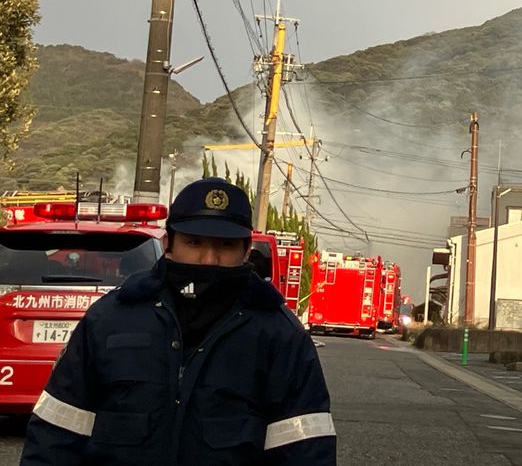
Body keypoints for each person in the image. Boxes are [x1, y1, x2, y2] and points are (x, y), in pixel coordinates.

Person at [21, 178, 336, 465]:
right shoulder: (109, 319)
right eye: (195, 243)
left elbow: (306, 449)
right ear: (168, 242)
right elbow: (56, 434)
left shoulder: (279, 335)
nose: (209, 260)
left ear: (245, 250)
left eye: (224, 246)